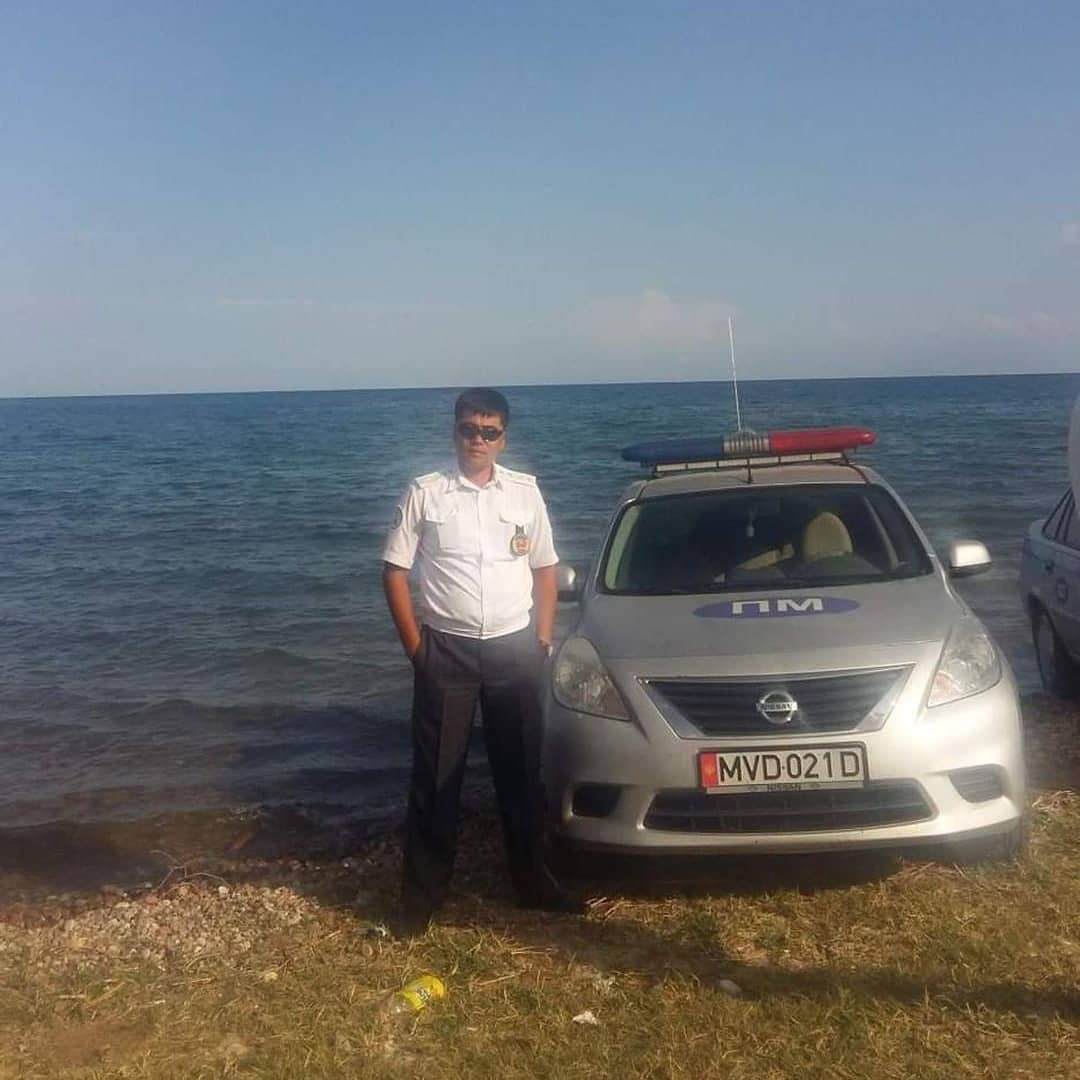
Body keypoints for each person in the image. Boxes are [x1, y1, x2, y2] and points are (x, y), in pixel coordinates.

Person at [382, 387, 581, 935]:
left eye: (489, 432)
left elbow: (545, 568)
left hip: (514, 650)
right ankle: (420, 902)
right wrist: (418, 651)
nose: (478, 440)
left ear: (503, 439)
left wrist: (542, 640)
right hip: (446, 651)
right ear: (455, 432)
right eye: (470, 429)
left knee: (521, 775)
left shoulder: (524, 493)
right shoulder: (425, 493)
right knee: (436, 778)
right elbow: (395, 572)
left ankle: (533, 884)